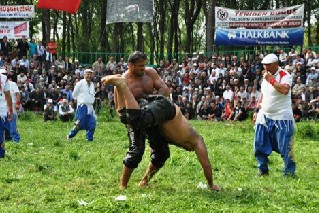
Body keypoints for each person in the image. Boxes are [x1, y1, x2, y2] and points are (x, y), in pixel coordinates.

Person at [101, 53, 220, 191]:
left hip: (157, 109)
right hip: (138, 116)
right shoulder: (122, 82)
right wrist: (132, 118)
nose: (143, 68)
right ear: (130, 65)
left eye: (144, 65)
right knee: (136, 151)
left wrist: (148, 100)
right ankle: (123, 185)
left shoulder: (150, 73)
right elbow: (120, 110)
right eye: (140, 66)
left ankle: (144, 181)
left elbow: (165, 90)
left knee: (161, 153)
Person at [253, 53, 296, 176]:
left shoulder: (284, 75)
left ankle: (289, 172)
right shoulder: (265, 76)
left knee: (285, 146)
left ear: (276, 64)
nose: (265, 68)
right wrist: (257, 110)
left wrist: (271, 80)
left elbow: (284, 90)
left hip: (282, 116)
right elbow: (263, 95)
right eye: (264, 65)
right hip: (265, 115)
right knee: (259, 143)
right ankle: (262, 168)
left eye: (268, 65)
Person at [67, 69, 96, 141]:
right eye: (87, 74)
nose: (89, 76)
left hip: (90, 106)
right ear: (84, 75)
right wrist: (80, 101)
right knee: (79, 123)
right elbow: (74, 95)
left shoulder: (92, 84)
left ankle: (89, 138)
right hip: (82, 106)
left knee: (92, 122)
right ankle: (70, 135)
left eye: (90, 74)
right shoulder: (80, 83)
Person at [0, 69, 21, 143]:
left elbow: (18, 93)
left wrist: (17, 103)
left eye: (5, 74)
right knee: (4, 124)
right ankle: (7, 138)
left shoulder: (12, 83)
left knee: (12, 124)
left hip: (11, 104)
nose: (4, 75)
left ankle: (16, 139)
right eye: (3, 74)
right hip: (2, 106)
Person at [0, 69, 13, 158]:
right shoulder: (4, 79)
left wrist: (10, 110)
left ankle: (1, 154)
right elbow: (8, 96)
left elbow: (8, 96)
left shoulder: (4, 79)